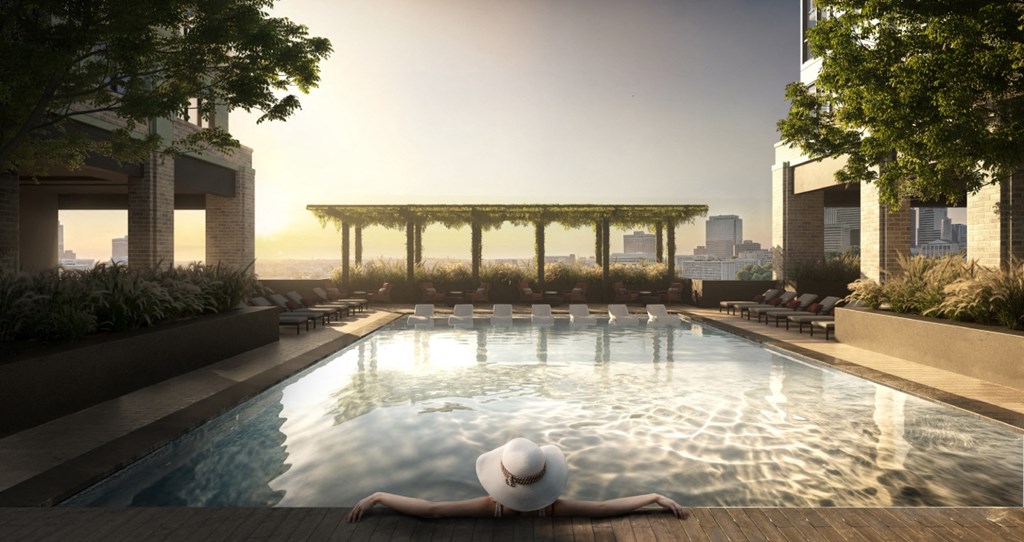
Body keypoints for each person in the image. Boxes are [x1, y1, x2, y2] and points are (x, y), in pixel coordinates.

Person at [346, 437, 689, 522]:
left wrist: (379, 496)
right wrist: (652, 497)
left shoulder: (491, 507)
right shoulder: (551, 509)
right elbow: (602, 508)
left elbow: (432, 510)